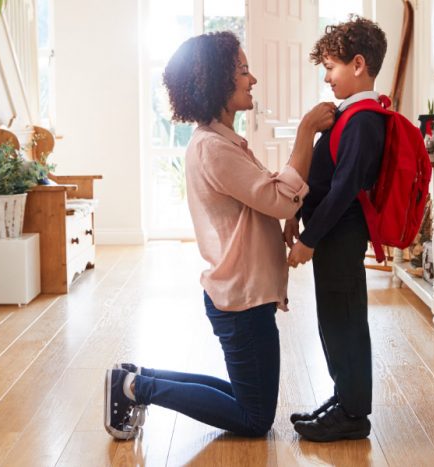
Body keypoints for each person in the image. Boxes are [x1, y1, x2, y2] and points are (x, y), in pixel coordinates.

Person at [103, 30, 336, 440]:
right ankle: (137, 388)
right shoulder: (214, 148)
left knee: (247, 397)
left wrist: (285, 213)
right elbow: (280, 198)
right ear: (216, 82)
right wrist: (305, 133)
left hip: (242, 295)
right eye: (243, 71)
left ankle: (136, 377)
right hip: (242, 300)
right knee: (254, 417)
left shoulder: (221, 141)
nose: (253, 79)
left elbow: (265, 199)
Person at [285, 16, 388, 442]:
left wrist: (309, 239)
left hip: (340, 236)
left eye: (331, 67)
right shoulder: (349, 114)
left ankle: (353, 413)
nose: (327, 77)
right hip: (332, 235)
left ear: (358, 64)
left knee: (344, 321)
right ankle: (344, 398)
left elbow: (345, 187)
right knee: (332, 319)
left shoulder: (364, 118)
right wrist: (297, 213)